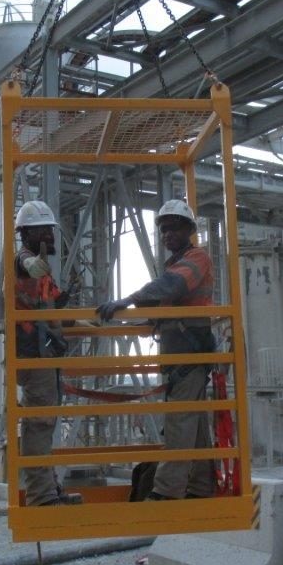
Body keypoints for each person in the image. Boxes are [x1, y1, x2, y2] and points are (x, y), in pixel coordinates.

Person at [95, 199, 216, 501]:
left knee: (180, 425)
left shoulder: (196, 258)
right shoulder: (175, 265)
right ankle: (201, 489)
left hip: (189, 358)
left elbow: (171, 287)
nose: (167, 234)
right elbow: (165, 305)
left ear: (189, 229)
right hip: (179, 360)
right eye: (163, 229)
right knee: (194, 427)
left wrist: (128, 300)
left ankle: (165, 494)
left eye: (174, 227)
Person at [13, 199, 79, 507]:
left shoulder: (44, 274)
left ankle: (49, 489)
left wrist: (85, 318)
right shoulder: (24, 260)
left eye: (50, 232)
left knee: (46, 423)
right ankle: (41, 496)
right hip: (34, 355)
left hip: (45, 355)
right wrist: (32, 264)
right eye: (44, 232)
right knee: (39, 423)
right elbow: (24, 263)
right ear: (26, 234)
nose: (51, 238)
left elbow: (54, 309)